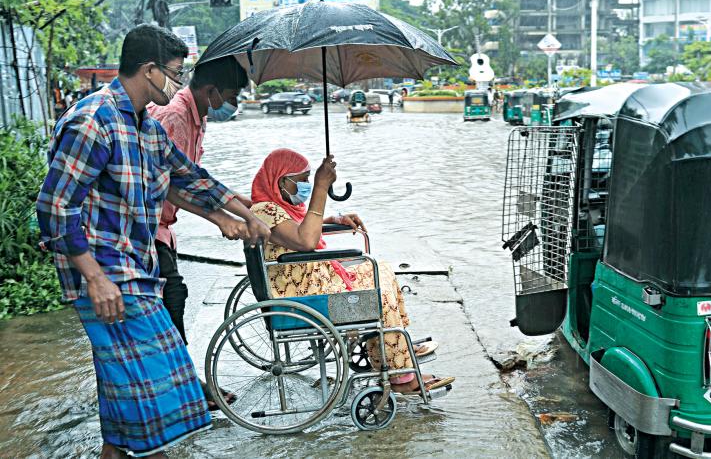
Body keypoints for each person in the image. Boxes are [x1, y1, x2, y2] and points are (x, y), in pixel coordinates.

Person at [36, 24, 270, 459]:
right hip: (106, 273)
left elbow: (190, 179)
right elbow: (54, 207)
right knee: (167, 385)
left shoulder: (149, 129)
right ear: (149, 70)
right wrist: (94, 279)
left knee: (125, 387)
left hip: (138, 263)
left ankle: (117, 452)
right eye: (176, 74)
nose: (180, 84)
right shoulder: (93, 122)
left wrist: (243, 214)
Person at [250, 149, 454, 394]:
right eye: (302, 180)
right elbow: (305, 241)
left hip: (312, 282)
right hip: (304, 297)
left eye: (308, 179)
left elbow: (295, 230)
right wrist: (321, 187)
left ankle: (397, 350)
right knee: (377, 293)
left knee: (382, 271)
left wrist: (333, 219)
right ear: (282, 181)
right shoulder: (264, 210)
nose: (305, 185)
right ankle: (400, 373)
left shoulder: (274, 207)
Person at [147, 55, 250, 410]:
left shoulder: (197, 118)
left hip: (164, 229)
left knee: (169, 303)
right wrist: (221, 218)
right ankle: (183, 386)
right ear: (211, 91)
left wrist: (246, 206)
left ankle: (182, 383)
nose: (231, 105)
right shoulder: (173, 117)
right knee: (170, 301)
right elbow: (170, 185)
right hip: (144, 229)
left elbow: (198, 178)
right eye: (231, 96)